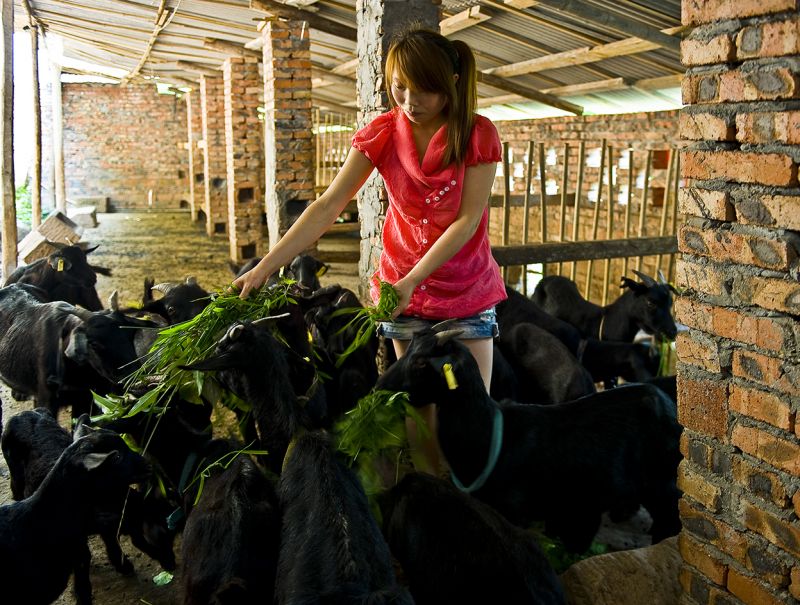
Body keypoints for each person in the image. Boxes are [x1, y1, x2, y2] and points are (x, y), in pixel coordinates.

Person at [233, 27, 507, 475]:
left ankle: (470, 501)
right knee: (420, 416)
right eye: (400, 86)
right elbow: (327, 206)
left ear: (452, 83)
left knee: (472, 414)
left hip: (464, 289)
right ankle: (432, 498)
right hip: (403, 292)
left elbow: (467, 219)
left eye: (424, 90)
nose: (409, 100)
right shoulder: (382, 132)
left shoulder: (476, 135)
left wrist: (412, 280)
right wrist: (265, 266)